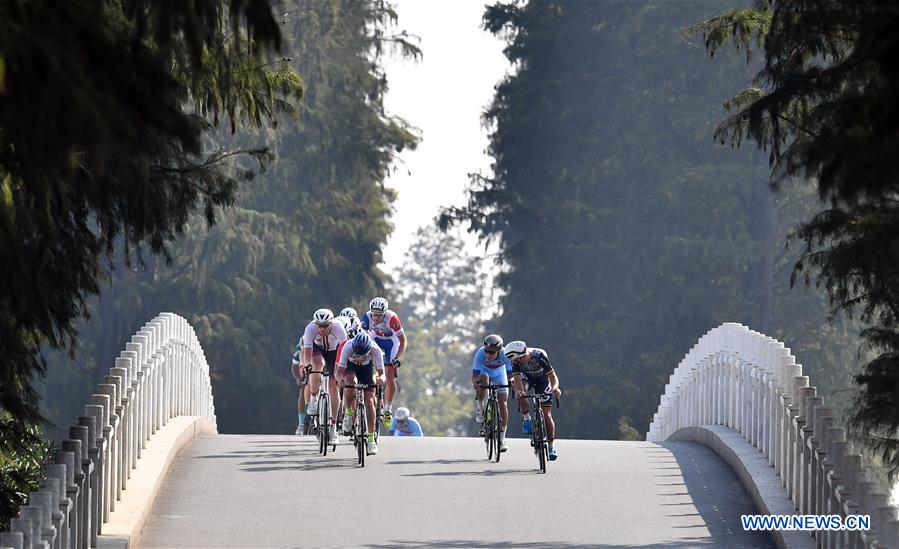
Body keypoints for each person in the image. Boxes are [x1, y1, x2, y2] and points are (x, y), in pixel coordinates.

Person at [504, 340, 562, 461]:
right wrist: (519, 392)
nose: (517, 362)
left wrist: (555, 388)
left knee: (547, 415)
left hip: (542, 379)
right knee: (522, 393)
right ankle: (527, 418)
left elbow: (552, 376)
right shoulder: (516, 361)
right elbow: (517, 378)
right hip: (527, 378)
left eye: (520, 359)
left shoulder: (540, 356)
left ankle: (551, 446)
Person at [301, 308, 348, 445]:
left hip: (335, 353)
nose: (322, 329)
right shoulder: (310, 328)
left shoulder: (339, 329)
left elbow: (345, 349)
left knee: (333, 388)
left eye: (325, 325)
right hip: (318, 350)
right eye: (319, 325)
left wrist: (341, 369)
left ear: (331, 323)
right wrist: (307, 366)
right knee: (316, 366)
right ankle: (314, 399)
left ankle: (333, 427)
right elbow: (307, 351)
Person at [336, 332, 386, 455]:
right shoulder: (348, 347)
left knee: (369, 401)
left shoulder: (375, 349)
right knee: (350, 382)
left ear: (369, 350)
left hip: (367, 369)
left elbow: (382, 374)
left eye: (362, 355)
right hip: (350, 367)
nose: (359, 358)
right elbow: (338, 373)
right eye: (357, 355)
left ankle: (370, 439)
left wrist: (381, 379)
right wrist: (340, 380)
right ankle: (348, 413)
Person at [361, 297, 406, 425]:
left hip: (391, 343)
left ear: (385, 313)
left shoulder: (392, 318)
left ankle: (387, 409)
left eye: (379, 315)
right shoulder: (366, 317)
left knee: (390, 376)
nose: (375, 318)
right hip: (375, 340)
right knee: (369, 364)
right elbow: (363, 337)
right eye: (374, 314)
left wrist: (397, 357)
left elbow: (403, 341)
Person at [472, 334, 512, 452]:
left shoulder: (505, 354)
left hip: (500, 373)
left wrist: (512, 381)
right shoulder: (480, 354)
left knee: (503, 404)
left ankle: (502, 439)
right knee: (482, 380)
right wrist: (476, 384)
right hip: (484, 372)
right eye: (487, 351)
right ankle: (480, 408)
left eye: (491, 352)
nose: (488, 355)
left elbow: (511, 374)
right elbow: (475, 376)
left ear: (499, 351)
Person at [290, 336, 311, 435]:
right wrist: (298, 378)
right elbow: (294, 367)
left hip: (317, 361)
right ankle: (301, 424)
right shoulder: (298, 350)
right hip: (304, 366)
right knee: (303, 387)